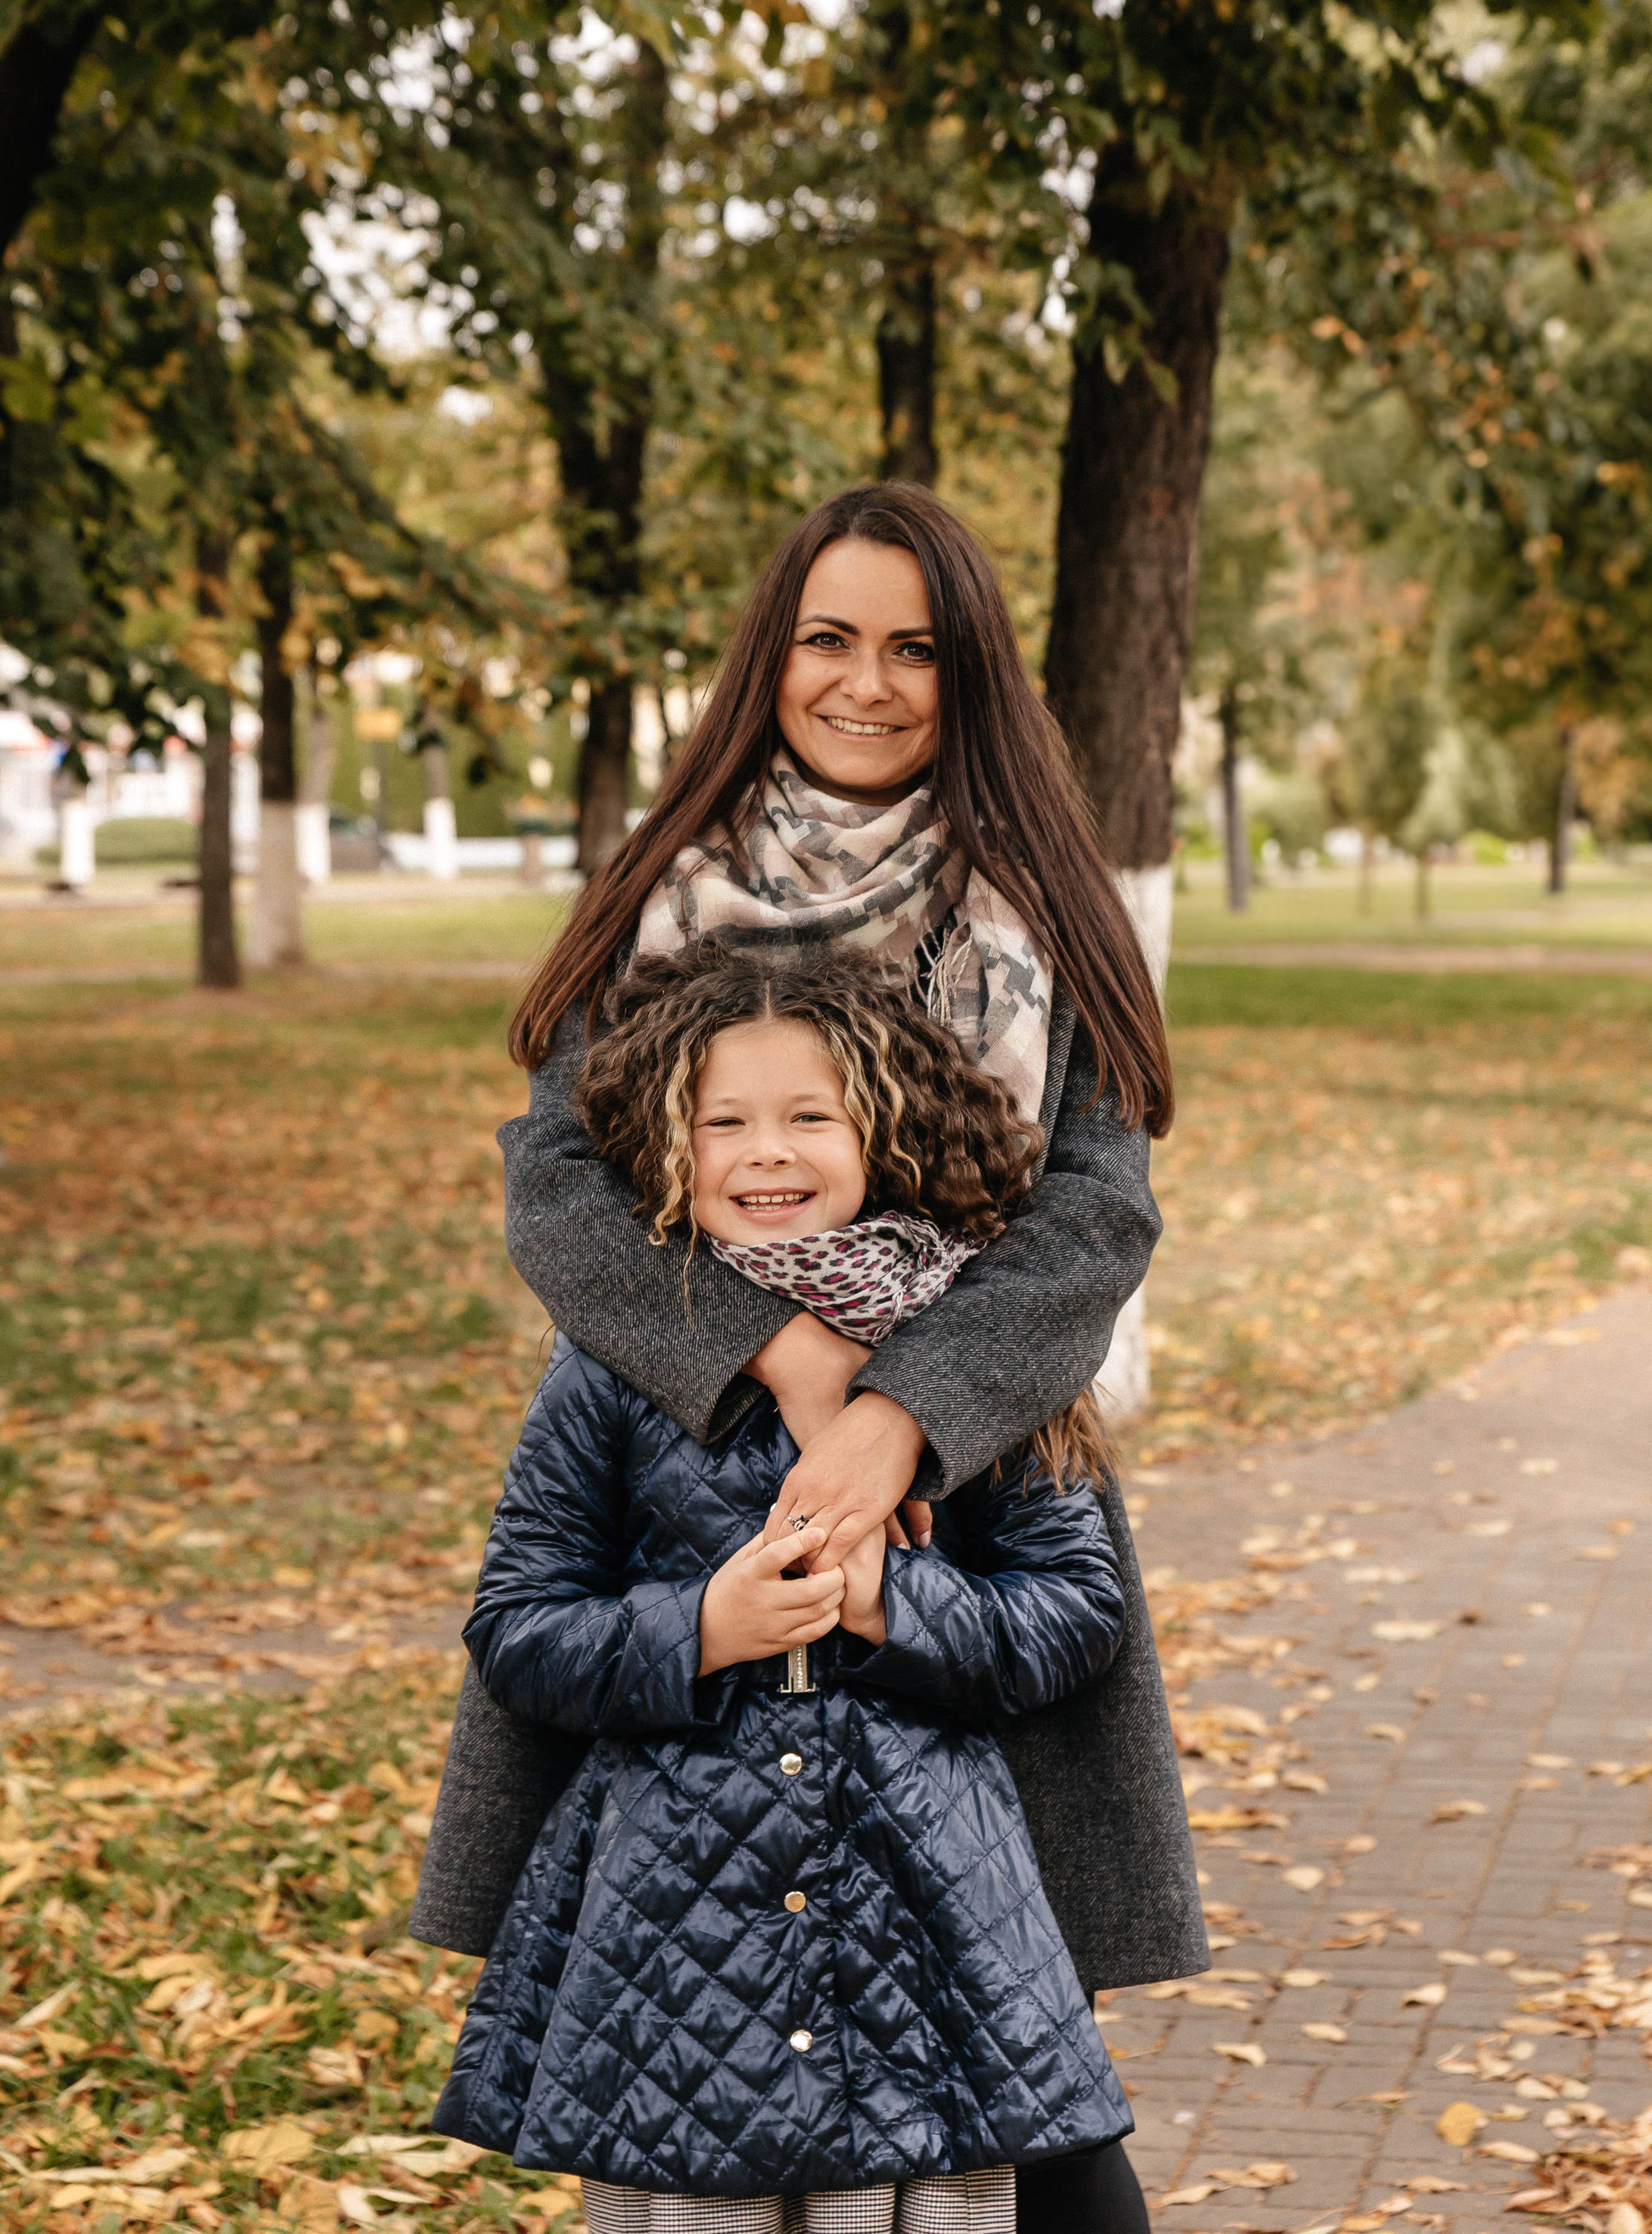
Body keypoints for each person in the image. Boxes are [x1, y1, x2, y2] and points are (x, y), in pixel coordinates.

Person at [413, 484, 1205, 2233]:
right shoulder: (658, 899)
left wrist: (902, 1423)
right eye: (828, 637)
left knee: (1020, 2061)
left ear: (969, 669)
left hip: (973, 1496)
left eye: (914, 645)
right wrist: (780, 1359)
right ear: (771, 655)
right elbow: (556, 1189)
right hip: (683, 1469)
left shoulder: (1040, 914)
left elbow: (1091, 1215)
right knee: (686, 2028)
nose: (867, 680)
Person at [432, 940, 1133, 2232]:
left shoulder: (968, 1347)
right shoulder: (613, 1368)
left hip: (929, 1926)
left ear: (888, 1134)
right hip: (679, 1943)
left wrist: (892, 1612)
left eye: (813, 1117)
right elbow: (519, 1627)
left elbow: (1078, 1609)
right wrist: (701, 1629)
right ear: (666, 1144)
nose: (768, 1152)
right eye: (726, 1122)